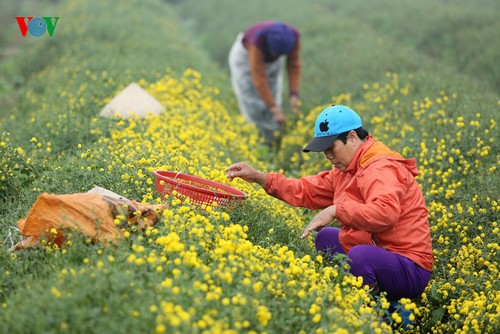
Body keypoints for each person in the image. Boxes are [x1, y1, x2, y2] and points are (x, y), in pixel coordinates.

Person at [226, 104, 433, 305]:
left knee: (360, 257)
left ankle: (379, 312)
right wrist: (260, 177)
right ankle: (349, 293)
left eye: (331, 148)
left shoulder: (380, 168)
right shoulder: (347, 170)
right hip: (379, 252)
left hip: (408, 265)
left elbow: (385, 214)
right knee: (326, 238)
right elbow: (305, 190)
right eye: (324, 151)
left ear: (352, 137)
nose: (328, 156)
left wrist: (337, 210)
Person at [228, 21, 302, 147]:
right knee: (252, 99)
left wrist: (294, 95)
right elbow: (259, 79)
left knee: (274, 93)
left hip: (268, 61)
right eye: (276, 53)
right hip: (245, 59)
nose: (278, 56)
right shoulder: (256, 42)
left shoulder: (292, 38)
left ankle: (272, 138)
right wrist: (273, 108)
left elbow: (293, 65)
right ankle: (256, 140)